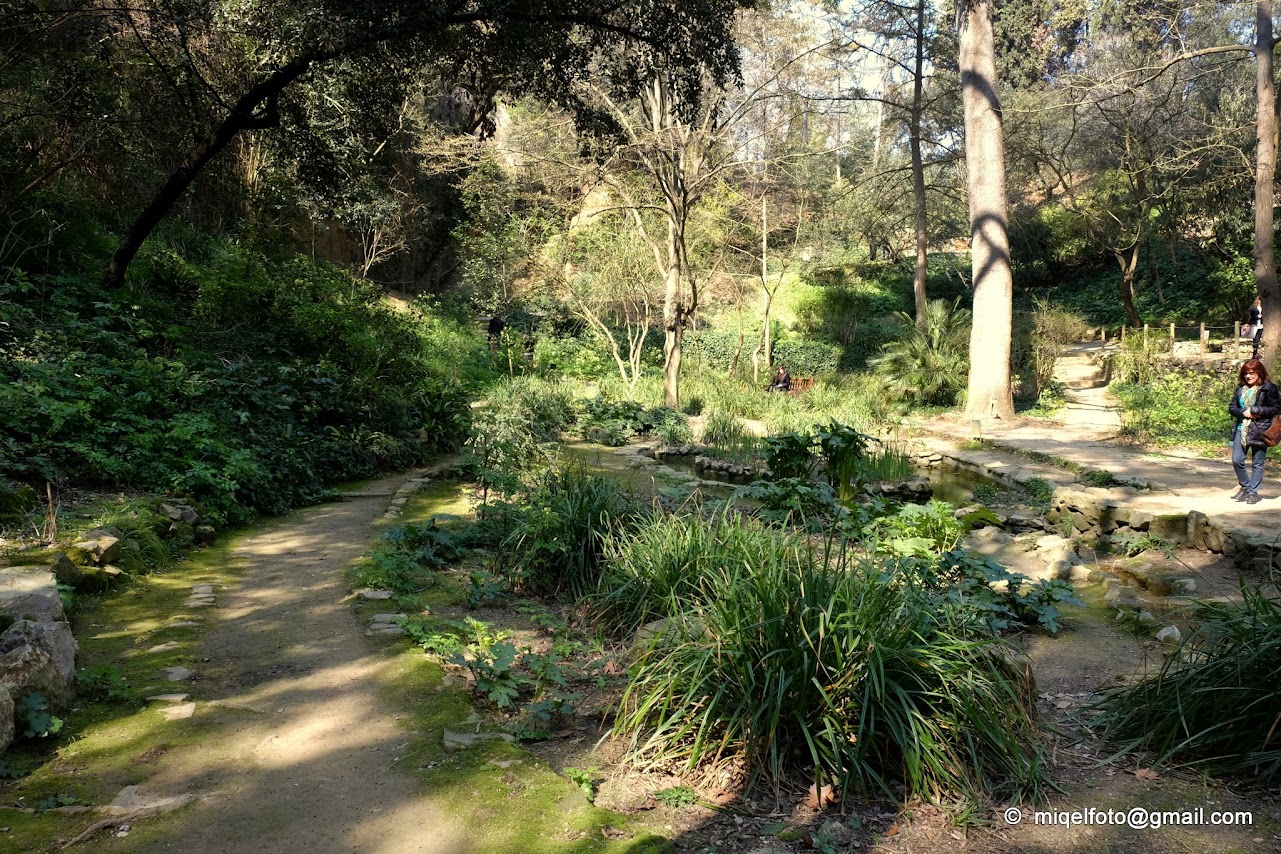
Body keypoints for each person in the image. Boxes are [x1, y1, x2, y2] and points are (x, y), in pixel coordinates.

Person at [1228, 358, 1280, 504]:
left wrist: (1256, 410)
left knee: (1258, 463)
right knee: (1237, 460)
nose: (1248, 376)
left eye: (1252, 373)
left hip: (1260, 429)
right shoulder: (1240, 388)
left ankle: (1252, 493)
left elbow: (1276, 408)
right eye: (1246, 373)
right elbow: (1232, 408)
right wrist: (1243, 412)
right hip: (1241, 428)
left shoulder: (1269, 388)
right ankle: (1245, 486)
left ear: (1259, 373)